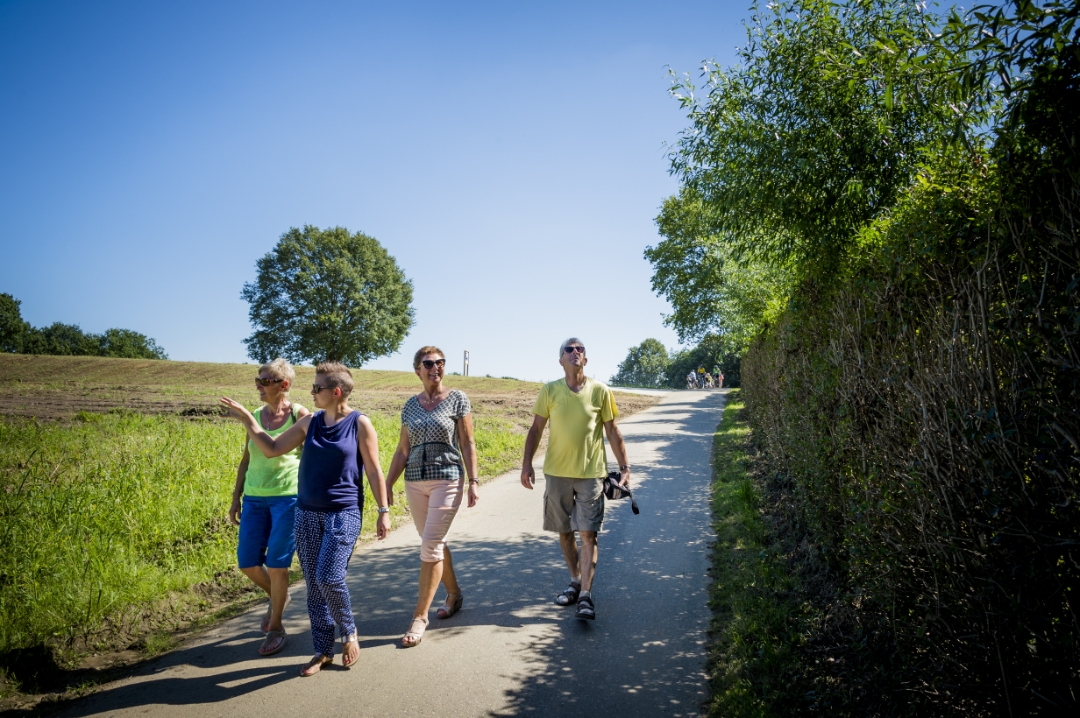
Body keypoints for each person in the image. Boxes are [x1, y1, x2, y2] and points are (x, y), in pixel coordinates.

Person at [221, 361, 391, 677]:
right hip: (307, 513)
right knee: (314, 585)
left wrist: (384, 511)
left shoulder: (359, 423)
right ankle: (322, 651)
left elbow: (373, 469)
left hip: (343, 513)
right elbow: (272, 448)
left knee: (329, 577)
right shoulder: (309, 422)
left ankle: (348, 630)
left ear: (335, 392)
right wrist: (247, 419)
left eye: (317, 388)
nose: (311, 392)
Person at [520, 338, 630, 621]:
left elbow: (612, 430)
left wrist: (624, 467)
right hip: (557, 474)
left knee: (588, 533)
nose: (575, 352)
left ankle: (585, 596)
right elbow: (535, 429)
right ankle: (575, 581)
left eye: (580, 349)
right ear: (561, 360)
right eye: (569, 349)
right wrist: (526, 464)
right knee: (564, 531)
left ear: (586, 359)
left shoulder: (600, 391)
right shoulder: (550, 390)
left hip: (591, 475)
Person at [385, 346, 479, 647]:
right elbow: (403, 450)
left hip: (447, 479)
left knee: (431, 546)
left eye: (440, 362)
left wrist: (473, 481)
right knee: (434, 543)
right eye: (428, 363)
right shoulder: (410, 406)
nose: (435, 367)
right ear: (418, 370)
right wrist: (388, 483)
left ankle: (419, 616)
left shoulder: (457, 399)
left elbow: (467, 442)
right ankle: (454, 594)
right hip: (414, 482)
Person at [229, 359, 310, 657]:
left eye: (264, 381)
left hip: (287, 499)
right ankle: (280, 598)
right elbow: (247, 458)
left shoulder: (300, 415)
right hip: (254, 498)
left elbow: (311, 458)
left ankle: (276, 627)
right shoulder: (253, 416)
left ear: (283, 385)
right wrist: (236, 496)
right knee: (247, 562)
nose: (258, 386)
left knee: (277, 564)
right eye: (257, 381)